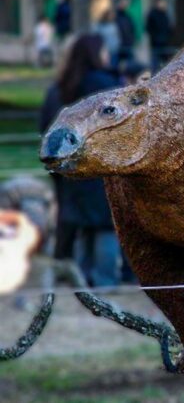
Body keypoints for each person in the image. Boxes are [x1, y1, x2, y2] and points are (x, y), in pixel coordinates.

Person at [40, 34, 124, 287]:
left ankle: (82, 279)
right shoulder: (107, 86)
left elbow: (45, 126)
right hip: (101, 167)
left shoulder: (61, 88)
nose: (108, 56)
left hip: (69, 168)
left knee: (83, 226)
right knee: (105, 227)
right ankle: (105, 281)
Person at [145, 0, 173, 74]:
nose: (164, 4)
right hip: (156, 43)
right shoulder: (152, 14)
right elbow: (149, 28)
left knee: (165, 63)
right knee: (155, 63)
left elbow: (168, 27)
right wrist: (156, 37)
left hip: (165, 42)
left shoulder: (165, 14)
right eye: (162, 2)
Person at [115, 0, 136, 65]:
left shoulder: (128, 16)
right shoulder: (115, 16)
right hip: (119, 46)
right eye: (123, 3)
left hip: (128, 44)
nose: (125, 5)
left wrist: (132, 40)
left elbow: (132, 29)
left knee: (130, 65)